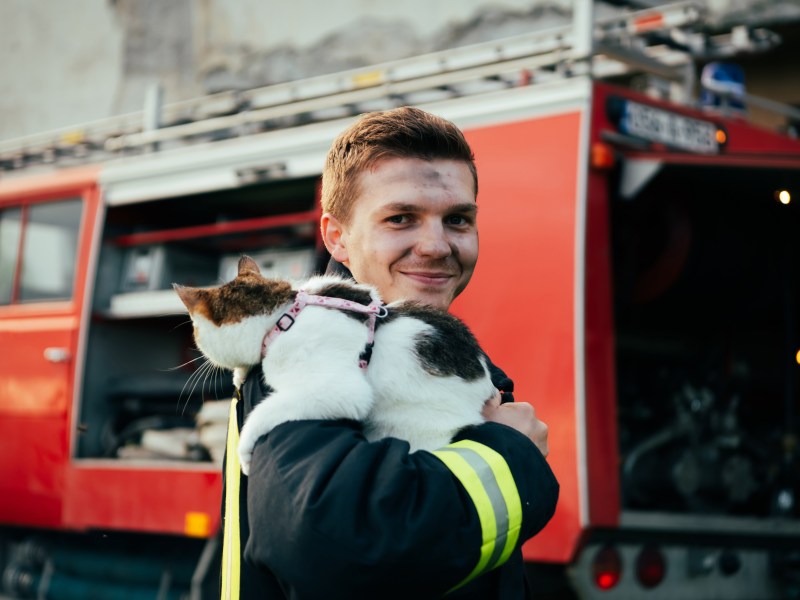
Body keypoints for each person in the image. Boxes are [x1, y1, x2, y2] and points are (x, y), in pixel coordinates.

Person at [220, 106, 558, 599]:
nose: (437, 245)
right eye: (401, 218)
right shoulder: (306, 350)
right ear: (336, 237)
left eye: (458, 220)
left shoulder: (419, 352)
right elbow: (335, 545)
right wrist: (509, 456)